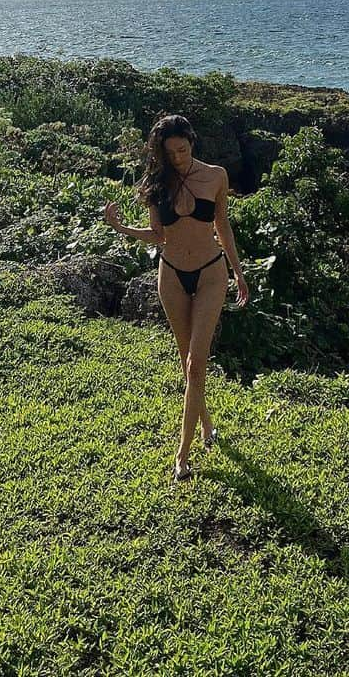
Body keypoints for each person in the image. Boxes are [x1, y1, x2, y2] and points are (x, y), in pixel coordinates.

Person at [104, 114, 249, 483]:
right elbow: (158, 235)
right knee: (188, 364)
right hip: (170, 275)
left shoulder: (216, 176)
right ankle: (207, 426)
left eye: (182, 150)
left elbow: (222, 226)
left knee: (196, 364)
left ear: (192, 143)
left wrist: (239, 273)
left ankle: (182, 457)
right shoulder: (158, 182)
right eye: (171, 154)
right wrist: (120, 228)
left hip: (211, 272)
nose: (178, 158)